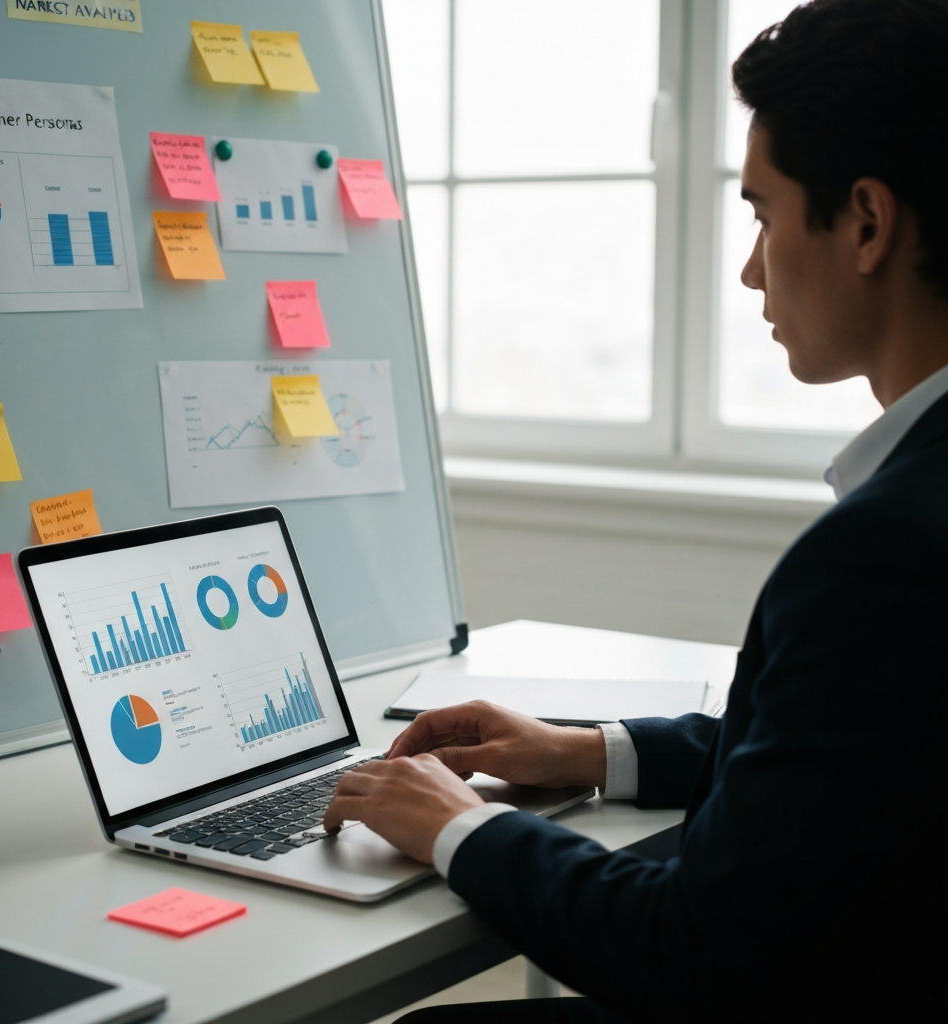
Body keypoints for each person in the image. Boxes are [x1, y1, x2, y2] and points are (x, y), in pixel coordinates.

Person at [323, 1, 948, 1020]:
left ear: (866, 224)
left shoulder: (881, 552)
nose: (750, 269)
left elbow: (686, 952)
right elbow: (850, 757)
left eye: (761, 213)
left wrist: (453, 825)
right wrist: (588, 750)